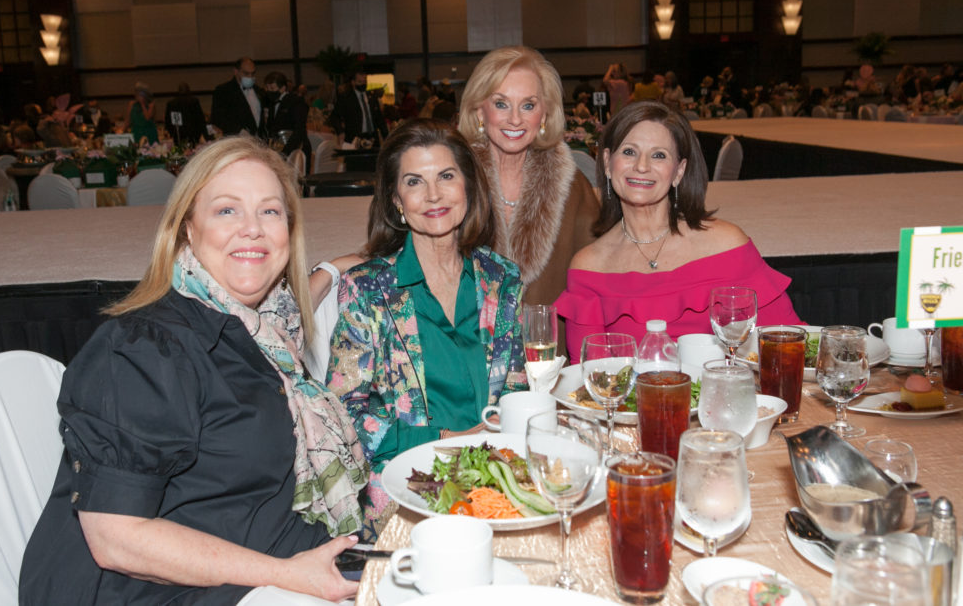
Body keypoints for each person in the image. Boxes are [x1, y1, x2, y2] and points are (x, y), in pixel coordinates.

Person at [20, 138, 366, 604]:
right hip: (149, 591)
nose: (253, 230)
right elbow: (116, 538)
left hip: (263, 565)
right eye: (227, 211)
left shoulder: (269, 334)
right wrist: (285, 575)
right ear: (186, 229)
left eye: (270, 212)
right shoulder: (145, 350)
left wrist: (336, 267)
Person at [327, 119, 526, 540]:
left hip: (500, 485)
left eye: (446, 176)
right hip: (408, 495)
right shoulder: (368, 290)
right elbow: (343, 414)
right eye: (414, 181)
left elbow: (516, 391)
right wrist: (448, 440)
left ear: (469, 188)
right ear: (396, 199)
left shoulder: (501, 279)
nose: (433, 195)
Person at [554, 101, 801, 361]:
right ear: (607, 162)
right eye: (629, 152)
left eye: (659, 155)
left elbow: (788, 344)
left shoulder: (727, 246)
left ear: (679, 171)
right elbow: (592, 379)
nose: (641, 166)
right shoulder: (590, 268)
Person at [458, 45, 600, 309]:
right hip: (466, 345)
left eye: (528, 105)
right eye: (501, 103)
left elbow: (599, 277)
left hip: (549, 345)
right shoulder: (453, 181)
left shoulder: (572, 187)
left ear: (544, 114)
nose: (514, 119)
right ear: (479, 111)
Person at [211, 57, 265, 137]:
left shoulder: (259, 90)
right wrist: (239, 131)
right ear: (236, 71)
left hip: (259, 139)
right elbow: (218, 117)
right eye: (246, 73)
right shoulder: (223, 90)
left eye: (253, 73)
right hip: (236, 138)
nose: (250, 77)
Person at [328, 72, 386, 146]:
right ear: (353, 82)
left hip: (373, 138)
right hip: (354, 138)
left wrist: (387, 137)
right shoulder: (346, 99)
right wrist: (340, 131)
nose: (363, 84)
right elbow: (334, 116)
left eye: (364, 82)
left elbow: (380, 119)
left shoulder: (372, 97)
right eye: (359, 82)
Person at [263, 71, 310, 157]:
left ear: (283, 88)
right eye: (267, 88)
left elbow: (299, 129)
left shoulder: (296, 102)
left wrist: (285, 152)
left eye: (272, 88)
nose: (269, 91)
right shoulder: (272, 103)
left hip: (296, 149)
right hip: (279, 148)